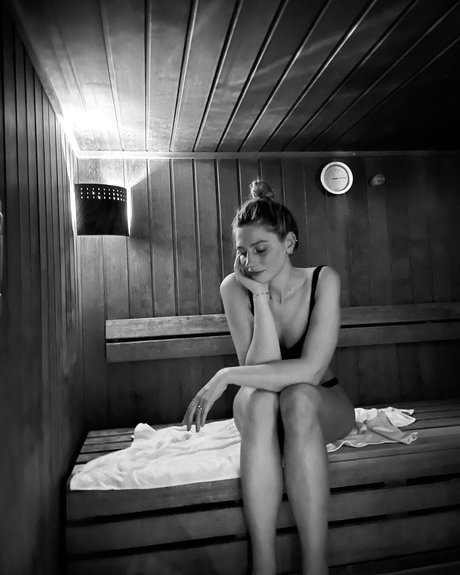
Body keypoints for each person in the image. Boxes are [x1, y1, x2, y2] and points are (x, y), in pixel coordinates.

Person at [183, 179, 355, 575]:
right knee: (262, 399)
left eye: (261, 250)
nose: (250, 261)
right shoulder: (234, 288)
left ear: (289, 243)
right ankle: (263, 564)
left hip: (318, 402)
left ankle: (316, 566)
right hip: (260, 408)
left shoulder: (322, 280)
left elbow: (311, 371)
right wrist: (259, 295)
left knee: (297, 395)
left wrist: (225, 374)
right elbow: (260, 370)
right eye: (241, 252)